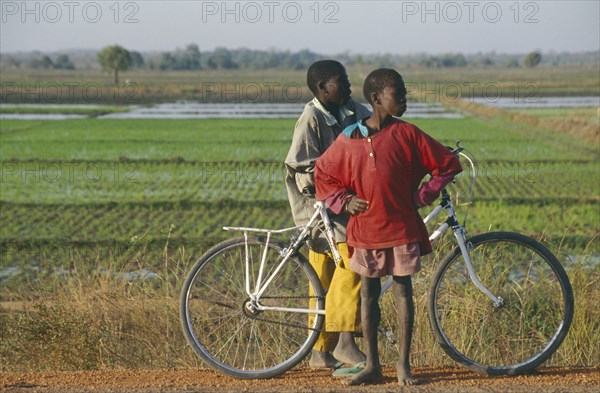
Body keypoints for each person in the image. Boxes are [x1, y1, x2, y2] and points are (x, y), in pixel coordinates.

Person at [314, 68, 462, 385]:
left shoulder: (409, 134)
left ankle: (403, 366)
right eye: (400, 94)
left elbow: (448, 163)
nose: (405, 99)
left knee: (403, 292)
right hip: (365, 229)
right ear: (377, 98)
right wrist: (342, 199)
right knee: (367, 294)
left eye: (405, 93)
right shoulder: (350, 137)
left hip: (401, 228)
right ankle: (373, 366)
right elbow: (323, 174)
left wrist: (426, 193)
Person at [285, 60, 371, 369]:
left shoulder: (355, 112)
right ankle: (344, 342)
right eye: (342, 80)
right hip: (319, 210)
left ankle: (320, 352)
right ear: (323, 88)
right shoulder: (311, 118)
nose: (349, 85)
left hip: (343, 208)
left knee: (323, 282)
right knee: (352, 264)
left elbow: (379, 138)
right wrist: (340, 194)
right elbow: (302, 169)